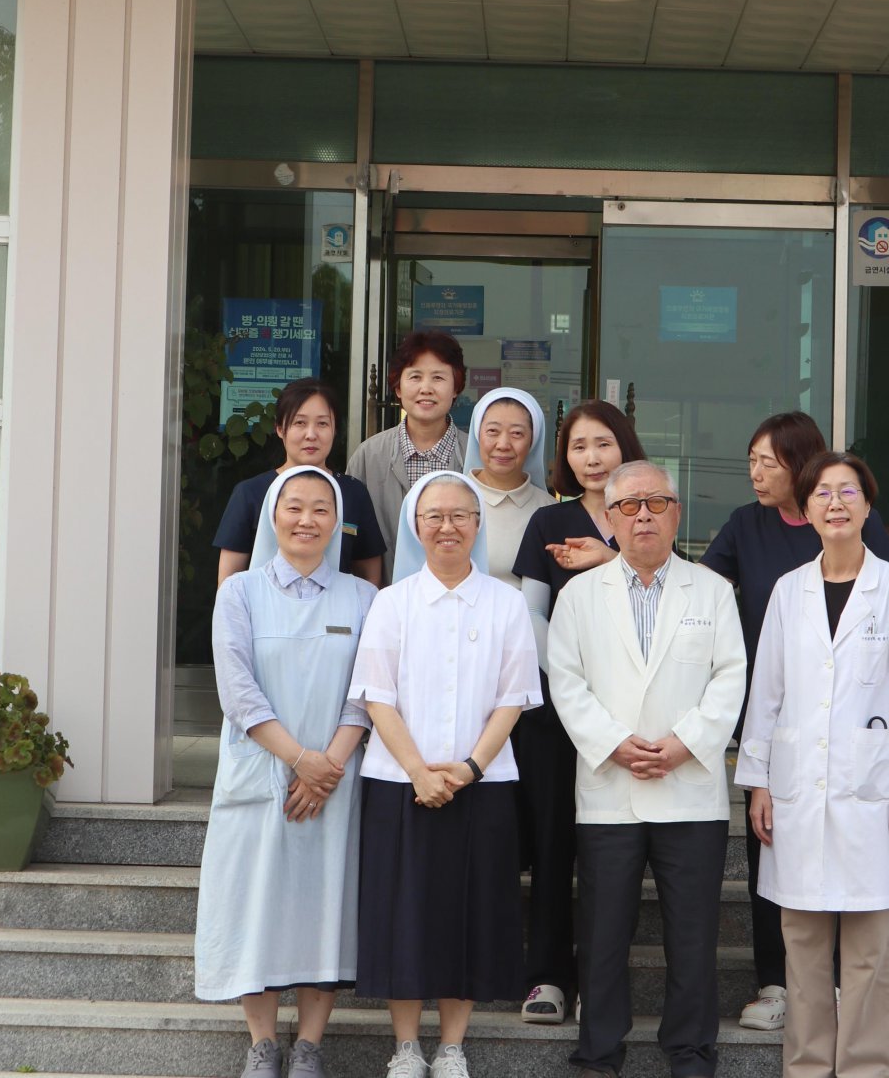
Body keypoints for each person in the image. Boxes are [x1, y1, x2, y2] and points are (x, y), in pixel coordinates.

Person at [700, 411, 889, 1032]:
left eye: (768, 462)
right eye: (752, 461)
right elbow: (698, 587)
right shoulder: (746, 524)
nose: (756, 473)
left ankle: (835, 986)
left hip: (852, 727)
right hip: (777, 715)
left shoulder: (855, 526)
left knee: (847, 855)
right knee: (772, 852)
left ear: (801, 465)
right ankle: (776, 982)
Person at [548, 461, 747, 1078]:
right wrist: (612, 744)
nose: (643, 516)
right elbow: (566, 682)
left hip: (689, 788)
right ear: (608, 519)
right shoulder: (579, 595)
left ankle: (690, 1052)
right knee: (603, 935)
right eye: (628, 506)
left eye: (656, 504)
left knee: (692, 935)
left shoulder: (711, 590)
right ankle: (598, 1053)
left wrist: (687, 743)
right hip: (610, 786)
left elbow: (730, 677)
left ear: (676, 514)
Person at [736, 451, 889, 1078]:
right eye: (823, 492)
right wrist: (758, 782)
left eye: (849, 492)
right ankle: (808, 1067)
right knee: (803, 947)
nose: (836, 503)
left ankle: (866, 1068)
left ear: (868, 507)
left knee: (867, 952)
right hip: (795, 789)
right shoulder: (788, 591)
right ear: (808, 507)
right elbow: (767, 693)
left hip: (872, 791)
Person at [348, 471, 542, 1078]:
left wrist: (469, 767)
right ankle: (406, 1047)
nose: (447, 527)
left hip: (482, 785)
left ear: (478, 525)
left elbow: (513, 698)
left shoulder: (506, 603)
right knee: (402, 916)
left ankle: (452, 1046)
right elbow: (377, 697)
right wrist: (418, 772)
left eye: (460, 515)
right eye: (433, 516)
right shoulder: (391, 602)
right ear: (415, 525)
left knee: (472, 914)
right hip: (397, 783)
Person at [195, 467, 378, 1078]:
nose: (307, 519)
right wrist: (303, 761)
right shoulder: (239, 593)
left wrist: (328, 766)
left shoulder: (362, 597)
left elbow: (367, 692)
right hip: (265, 769)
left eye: (321, 509)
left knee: (324, 903)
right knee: (257, 903)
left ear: (339, 522)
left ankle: (309, 1047)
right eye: (293, 507)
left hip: (336, 776)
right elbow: (237, 691)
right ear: (272, 516)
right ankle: (263, 1044)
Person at [511, 399, 647, 1026]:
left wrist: (610, 558)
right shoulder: (548, 520)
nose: (592, 458)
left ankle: (598, 978)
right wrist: (571, 683)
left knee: (610, 852)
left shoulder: (645, 515)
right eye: (578, 446)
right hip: (556, 714)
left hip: (630, 714)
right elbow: (530, 612)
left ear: (625, 447)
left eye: (603, 444)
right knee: (552, 844)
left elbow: (668, 594)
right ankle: (546, 976)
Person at [214, 378, 384, 586]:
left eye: (322, 423)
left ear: (335, 430)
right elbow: (228, 581)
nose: (311, 435)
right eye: (300, 423)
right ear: (280, 428)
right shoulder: (250, 493)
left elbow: (370, 578)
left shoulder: (354, 493)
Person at [346, 331, 469, 575]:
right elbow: (350, 538)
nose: (426, 388)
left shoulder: (476, 457)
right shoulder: (368, 456)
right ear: (398, 388)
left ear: (456, 387)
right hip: (384, 593)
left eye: (438, 377)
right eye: (415, 377)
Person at [462, 387, 552, 586]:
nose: (503, 444)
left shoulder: (550, 510)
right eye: (492, 431)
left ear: (533, 440)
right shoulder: (449, 499)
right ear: (477, 435)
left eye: (517, 433)